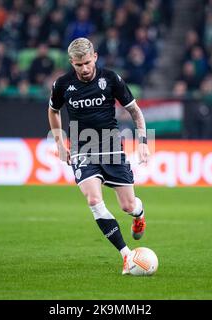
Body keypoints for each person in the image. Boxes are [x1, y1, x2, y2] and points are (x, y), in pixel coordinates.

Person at [47, 38, 150, 275]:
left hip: (112, 147)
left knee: (127, 205)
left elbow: (135, 111)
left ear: (95, 56)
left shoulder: (111, 79)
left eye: (87, 62)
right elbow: (53, 111)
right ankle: (127, 256)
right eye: (78, 64)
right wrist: (60, 142)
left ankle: (139, 212)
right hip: (83, 149)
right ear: (72, 62)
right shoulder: (62, 84)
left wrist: (143, 142)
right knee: (94, 201)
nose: (84, 69)